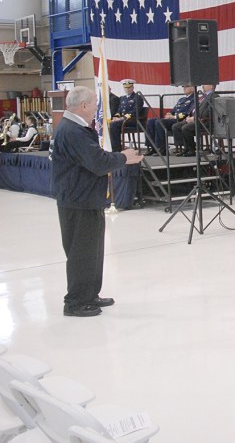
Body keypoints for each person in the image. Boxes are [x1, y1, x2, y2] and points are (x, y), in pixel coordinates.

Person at [50, 86, 144, 317]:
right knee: (81, 252)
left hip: (86, 198)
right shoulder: (72, 131)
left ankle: (89, 294)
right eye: (94, 104)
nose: (96, 108)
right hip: (78, 200)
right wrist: (124, 158)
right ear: (83, 106)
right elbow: (97, 162)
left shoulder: (76, 127)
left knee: (92, 251)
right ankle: (75, 301)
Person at [145, 85, 195, 156]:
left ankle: (162, 149)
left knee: (159, 122)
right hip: (173, 119)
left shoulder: (194, 99)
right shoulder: (181, 99)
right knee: (150, 121)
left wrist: (173, 116)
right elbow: (173, 110)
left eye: (186, 87)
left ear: (192, 88)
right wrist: (169, 114)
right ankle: (153, 147)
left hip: (180, 120)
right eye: (183, 87)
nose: (184, 88)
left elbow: (187, 113)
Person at [175, 84, 215, 157]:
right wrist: (189, 116)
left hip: (204, 121)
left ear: (211, 86)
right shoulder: (202, 96)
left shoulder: (213, 96)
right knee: (177, 126)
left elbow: (209, 111)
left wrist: (195, 118)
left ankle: (192, 149)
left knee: (185, 128)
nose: (203, 86)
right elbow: (194, 108)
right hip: (195, 118)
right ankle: (186, 148)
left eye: (205, 84)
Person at [108, 79, 144, 152]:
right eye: (125, 88)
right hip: (123, 120)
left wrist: (122, 118)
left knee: (114, 125)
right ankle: (113, 146)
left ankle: (116, 149)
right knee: (111, 123)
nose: (127, 89)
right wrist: (116, 117)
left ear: (133, 87)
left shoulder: (137, 97)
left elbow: (135, 111)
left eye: (129, 87)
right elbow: (119, 110)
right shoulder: (122, 98)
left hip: (132, 120)